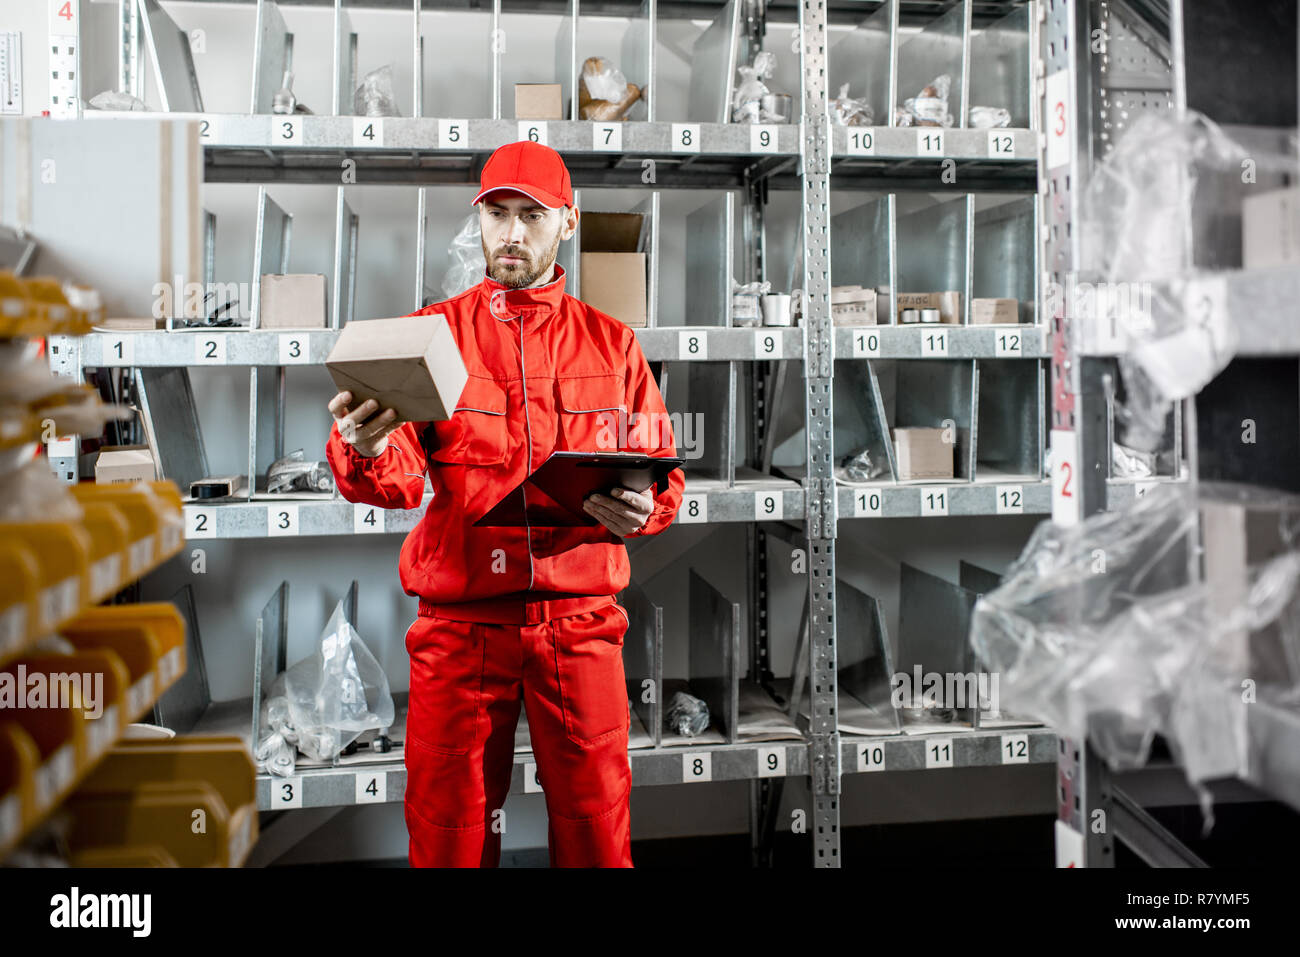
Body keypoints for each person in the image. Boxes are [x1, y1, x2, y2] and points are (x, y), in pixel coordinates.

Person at [325, 140, 684, 868]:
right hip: (462, 631)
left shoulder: (613, 345)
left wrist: (646, 508)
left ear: (568, 223)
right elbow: (394, 480)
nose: (512, 233)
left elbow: (660, 473)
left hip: (577, 629)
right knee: (447, 835)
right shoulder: (432, 337)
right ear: (479, 219)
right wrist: (362, 446)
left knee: (597, 834)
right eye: (497, 214)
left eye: (531, 215)